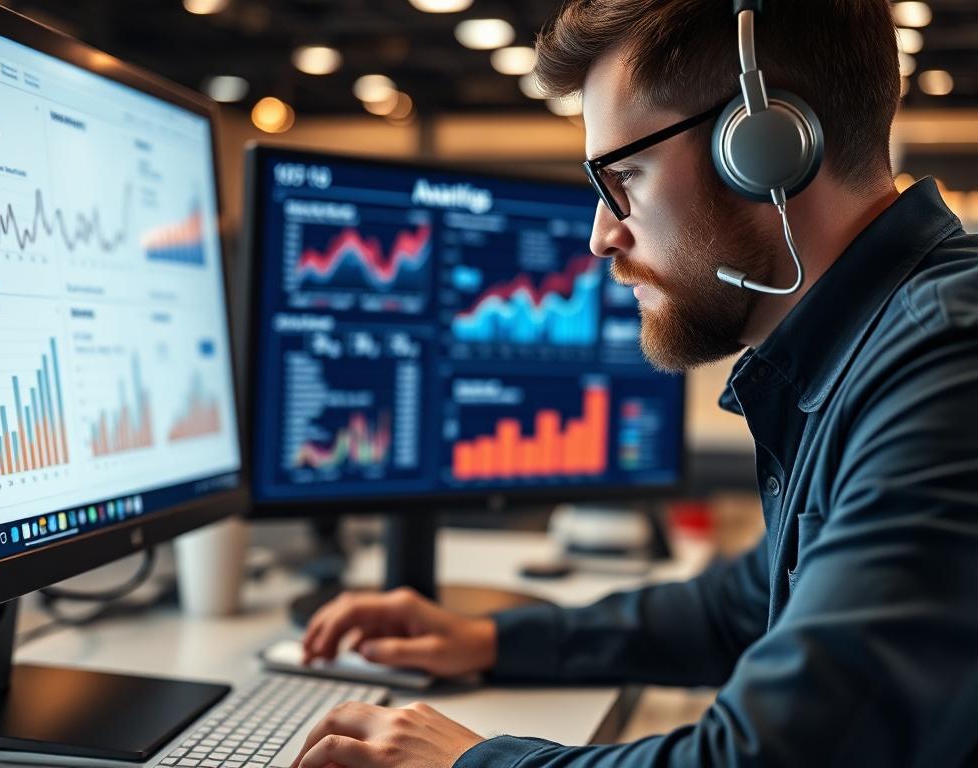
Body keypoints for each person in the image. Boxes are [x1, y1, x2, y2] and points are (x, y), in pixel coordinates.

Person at [292, 0, 978, 765]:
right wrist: (486, 639)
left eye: (623, 176)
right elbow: (740, 608)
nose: (600, 234)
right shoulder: (877, 347)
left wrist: (467, 762)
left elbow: (774, 757)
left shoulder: (948, 363)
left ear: (763, 151)